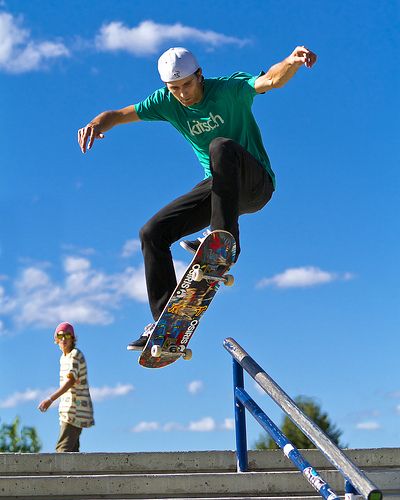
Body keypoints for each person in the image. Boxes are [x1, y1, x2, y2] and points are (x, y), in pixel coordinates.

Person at [77, 46, 317, 350]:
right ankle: (166, 323)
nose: (182, 94)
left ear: (199, 75)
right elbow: (119, 115)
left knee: (220, 147)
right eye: (174, 89)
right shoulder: (165, 101)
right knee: (152, 233)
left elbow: (270, 80)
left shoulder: (229, 88)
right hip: (221, 190)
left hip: (256, 185)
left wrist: (291, 61)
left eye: (187, 85)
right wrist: (98, 124)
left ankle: (222, 241)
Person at [38, 322, 94, 452]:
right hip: (67, 409)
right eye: (60, 335)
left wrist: (50, 399)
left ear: (73, 338)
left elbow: (70, 381)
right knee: (73, 450)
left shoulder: (74, 355)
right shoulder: (64, 358)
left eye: (67, 335)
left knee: (62, 450)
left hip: (74, 410)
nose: (63, 339)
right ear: (56, 339)